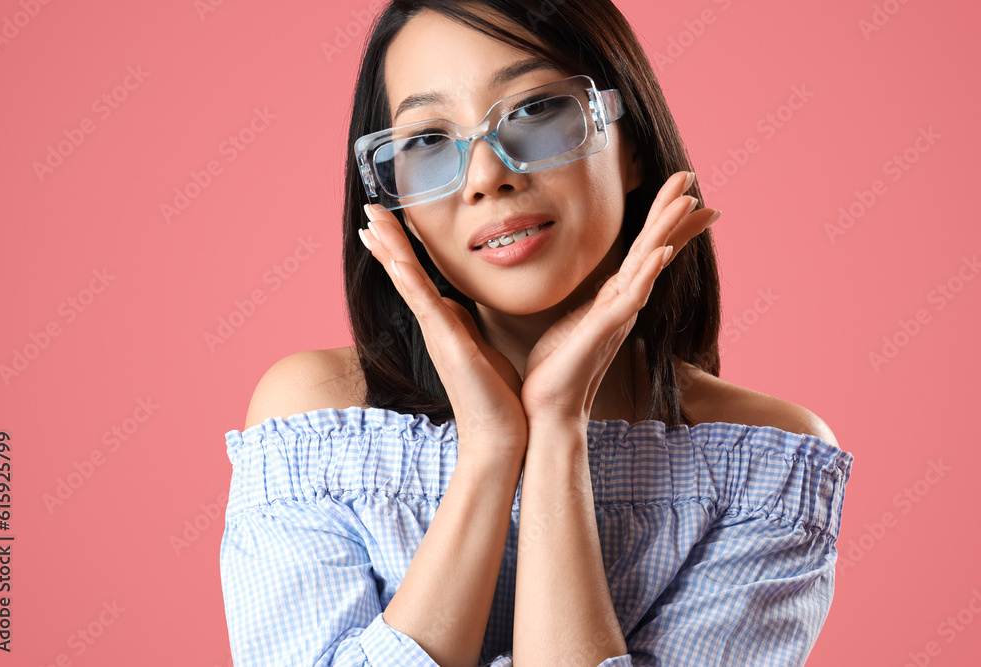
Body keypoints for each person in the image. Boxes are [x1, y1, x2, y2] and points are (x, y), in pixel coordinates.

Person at [219, 1, 854, 665]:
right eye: (427, 141)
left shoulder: (761, 472)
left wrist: (557, 428)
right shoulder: (317, 426)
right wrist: (490, 449)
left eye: (532, 110)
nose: (488, 177)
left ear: (629, 143)